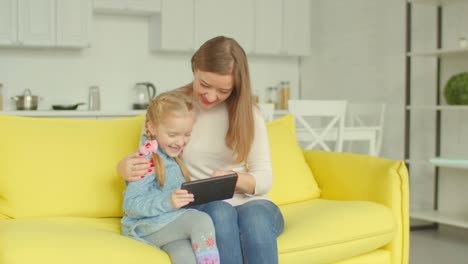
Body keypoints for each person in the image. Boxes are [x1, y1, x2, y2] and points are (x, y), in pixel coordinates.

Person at [118, 36, 284, 264]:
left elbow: (265, 177)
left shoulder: (248, 114)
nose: (211, 96)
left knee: (254, 219)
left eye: (223, 90)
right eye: (205, 85)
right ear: (195, 67)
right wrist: (124, 167)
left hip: (253, 204)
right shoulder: (171, 108)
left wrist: (234, 180)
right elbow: (150, 159)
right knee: (221, 212)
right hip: (204, 205)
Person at [121, 91, 220, 264]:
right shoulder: (146, 160)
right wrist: (168, 201)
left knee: (186, 256)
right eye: (173, 135)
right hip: (148, 227)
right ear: (152, 128)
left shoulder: (171, 156)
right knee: (200, 220)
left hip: (167, 224)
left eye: (187, 134)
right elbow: (131, 205)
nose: (181, 142)